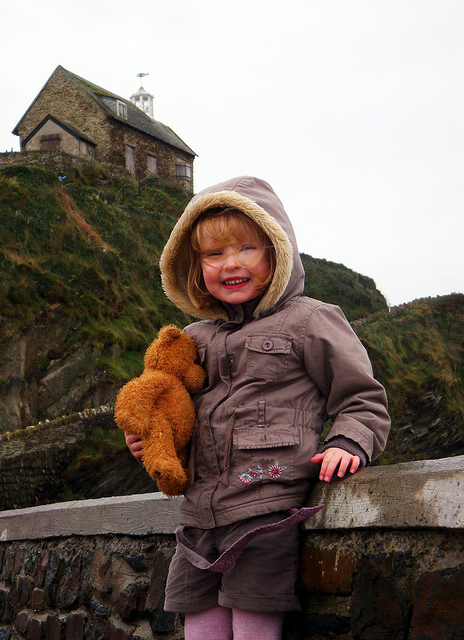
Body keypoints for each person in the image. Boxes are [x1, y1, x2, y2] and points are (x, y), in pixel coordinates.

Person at [125, 176, 390, 640]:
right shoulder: (192, 339)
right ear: (195, 265)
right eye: (214, 253)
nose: (231, 263)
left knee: (253, 632)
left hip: (266, 512)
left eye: (247, 248)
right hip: (197, 520)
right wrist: (153, 438)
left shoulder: (310, 319)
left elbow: (362, 399)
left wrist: (348, 442)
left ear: (277, 251)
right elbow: (184, 420)